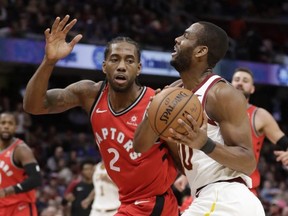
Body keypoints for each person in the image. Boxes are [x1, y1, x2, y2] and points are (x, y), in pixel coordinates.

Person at [23, 15, 179, 216]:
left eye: (129, 60)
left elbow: (180, 157)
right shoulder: (90, 94)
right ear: (104, 66)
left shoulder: (156, 103)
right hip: (129, 202)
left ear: (138, 68)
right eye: (115, 59)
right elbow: (34, 106)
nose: (121, 66)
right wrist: (49, 61)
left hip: (152, 203)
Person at [133, 21, 265, 215]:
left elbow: (248, 162)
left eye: (185, 36)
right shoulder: (172, 94)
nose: (177, 39)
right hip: (207, 197)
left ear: (200, 51)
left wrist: (205, 144)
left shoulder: (221, 93)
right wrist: (152, 114)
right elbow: (139, 146)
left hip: (226, 198)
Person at [231, 67, 288, 195]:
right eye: (237, 79)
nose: (240, 83)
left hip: (244, 189)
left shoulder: (259, 115)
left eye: (245, 80)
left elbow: (284, 142)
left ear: (252, 88)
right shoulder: (215, 111)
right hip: (213, 185)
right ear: (230, 85)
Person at [0, 112, 42, 216]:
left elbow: (36, 179)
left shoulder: (21, 150)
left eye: (10, 123)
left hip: (20, 206)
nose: (6, 126)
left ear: (15, 128)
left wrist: (8, 191)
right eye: (3, 123)